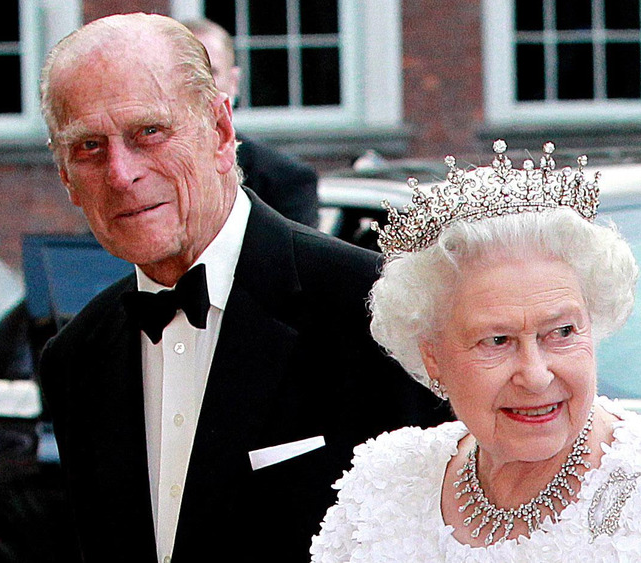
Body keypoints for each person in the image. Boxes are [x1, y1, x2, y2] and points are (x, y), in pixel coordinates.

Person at [37, 13, 445, 563]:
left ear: (221, 132)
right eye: (88, 147)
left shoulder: (373, 311)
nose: (120, 173)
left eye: (148, 133)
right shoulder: (76, 360)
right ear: (65, 176)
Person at [310, 141, 641, 561]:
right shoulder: (387, 483)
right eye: (496, 341)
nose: (535, 375)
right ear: (433, 356)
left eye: (560, 332)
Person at [183, 18, 321, 228]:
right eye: (184, 74)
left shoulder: (284, 182)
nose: (196, 86)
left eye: (209, 73)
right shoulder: (129, 172)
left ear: (234, 82)